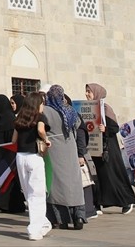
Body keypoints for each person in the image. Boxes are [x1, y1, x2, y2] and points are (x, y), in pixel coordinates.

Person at [83, 83, 135, 213]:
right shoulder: (89, 108)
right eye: (86, 91)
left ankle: (126, 201)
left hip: (109, 148)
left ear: (96, 93)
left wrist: (105, 129)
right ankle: (99, 203)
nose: (87, 94)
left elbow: (114, 128)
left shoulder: (105, 109)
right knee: (99, 177)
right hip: (96, 148)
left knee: (113, 175)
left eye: (89, 92)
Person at [44, 85, 87, 229]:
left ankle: (60, 218)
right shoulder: (70, 110)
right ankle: (79, 217)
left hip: (55, 150)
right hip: (71, 149)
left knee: (56, 184)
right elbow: (78, 125)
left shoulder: (47, 111)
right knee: (74, 183)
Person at [13, 91, 52, 241]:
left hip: (20, 156)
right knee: (38, 193)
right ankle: (34, 229)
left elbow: (13, 139)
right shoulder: (40, 117)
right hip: (34, 157)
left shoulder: (19, 118)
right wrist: (46, 139)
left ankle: (43, 223)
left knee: (29, 193)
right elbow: (41, 130)